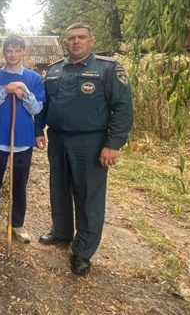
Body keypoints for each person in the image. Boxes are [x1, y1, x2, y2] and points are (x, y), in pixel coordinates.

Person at [35, 22, 134, 276]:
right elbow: (45, 105)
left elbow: (123, 108)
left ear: (92, 40)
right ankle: (61, 231)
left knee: (88, 196)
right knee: (59, 188)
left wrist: (113, 144)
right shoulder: (55, 70)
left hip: (90, 141)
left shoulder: (108, 68)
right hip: (58, 139)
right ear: (65, 42)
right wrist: (38, 129)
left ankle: (83, 251)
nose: (75, 42)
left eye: (81, 38)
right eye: (71, 38)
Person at [0, 35, 45, 243]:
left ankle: (17, 224)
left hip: (22, 141)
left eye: (17, 50)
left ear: (24, 51)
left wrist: (23, 92)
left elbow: (37, 108)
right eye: (9, 50)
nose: (13, 55)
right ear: (4, 52)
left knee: (19, 184)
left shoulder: (33, 79)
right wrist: (4, 93)